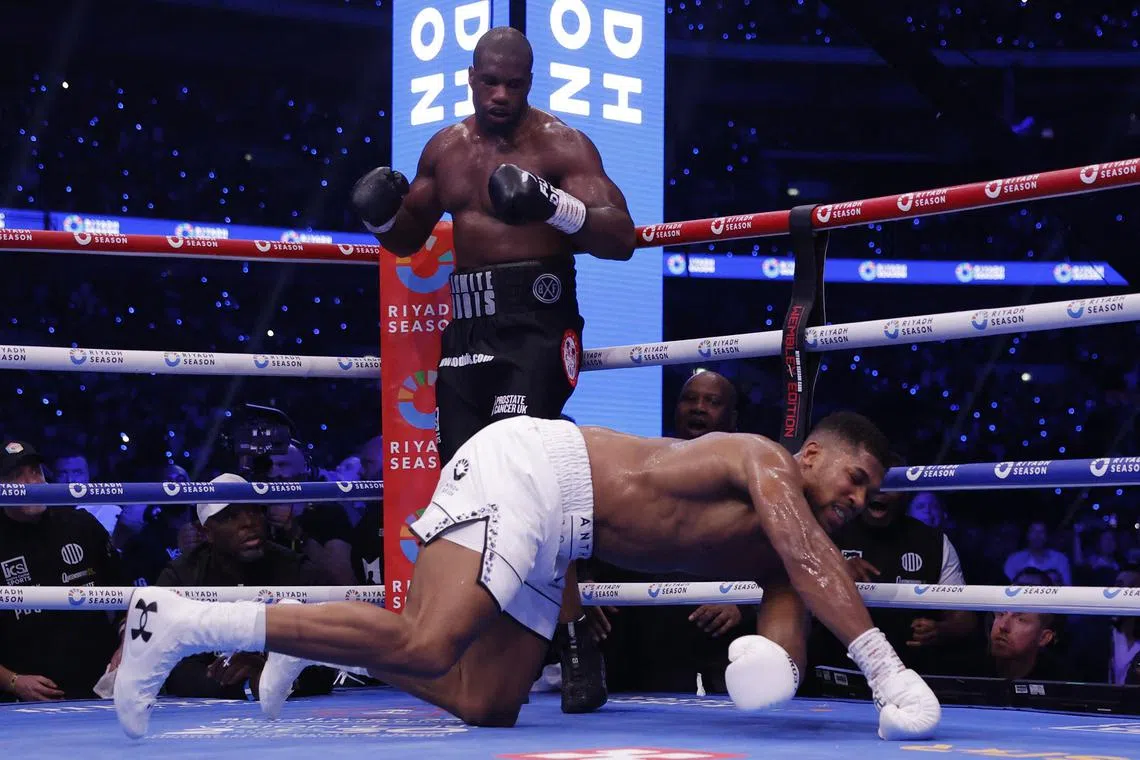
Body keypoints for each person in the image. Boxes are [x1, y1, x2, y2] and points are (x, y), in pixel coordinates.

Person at [114, 412, 941, 741]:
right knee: (427, 639)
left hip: (562, 534)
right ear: (811, 458)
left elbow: (786, 643)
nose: (861, 501)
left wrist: (777, 670)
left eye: (874, 493)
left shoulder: (787, 559)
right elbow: (804, 550)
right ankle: (184, 623)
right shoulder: (761, 462)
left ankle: (323, 634)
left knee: (487, 703)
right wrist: (887, 672)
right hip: (539, 469)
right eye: (854, 479)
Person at [351, 26, 635, 711]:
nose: (502, 94)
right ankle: (479, 647)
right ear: (471, 78)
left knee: (529, 481)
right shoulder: (446, 149)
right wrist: (377, 217)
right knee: (469, 493)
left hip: (539, 325)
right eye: (491, 82)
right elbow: (408, 237)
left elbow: (621, 237)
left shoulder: (562, 145)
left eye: (515, 83)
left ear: (529, 82)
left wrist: (551, 204)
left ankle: (575, 647)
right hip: (467, 330)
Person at [151, 474, 335, 701]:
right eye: (231, 516)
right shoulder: (182, 576)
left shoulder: (296, 571)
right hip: (206, 720)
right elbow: (168, 666)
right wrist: (244, 685)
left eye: (253, 510)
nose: (249, 522)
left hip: (294, 713)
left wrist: (269, 675)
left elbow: (329, 662)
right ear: (207, 532)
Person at [810, 462, 976, 677]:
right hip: (834, 669)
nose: (881, 492)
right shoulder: (830, 529)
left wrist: (941, 630)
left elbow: (965, 620)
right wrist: (833, 572)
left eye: (891, 485)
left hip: (908, 674)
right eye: (875, 484)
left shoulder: (933, 542)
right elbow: (792, 596)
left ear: (906, 494)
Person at [0, 440, 124, 701]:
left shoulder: (81, 525)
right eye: (16, 476)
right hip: (25, 699)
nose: (31, 483)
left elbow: (130, 598)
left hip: (99, 687)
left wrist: (127, 647)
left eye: (35, 472)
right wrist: (12, 681)